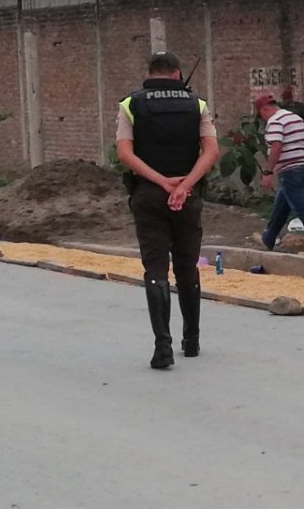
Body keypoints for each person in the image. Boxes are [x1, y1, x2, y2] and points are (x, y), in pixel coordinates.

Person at [116, 51, 220, 370]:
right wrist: (184, 185)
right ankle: (191, 342)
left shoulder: (130, 105)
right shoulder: (197, 104)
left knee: (155, 268)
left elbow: (124, 153)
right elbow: (211, 151)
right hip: (186, 197)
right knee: (187, 265)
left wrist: (162, 182)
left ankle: (163, 345)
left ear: (149, 72)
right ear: (177, 74)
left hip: (148, 195)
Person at [254, 94, 304, 254]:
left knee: (303, 207)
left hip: (289, 169)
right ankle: (268, 238)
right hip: (303, 166)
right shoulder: (295, 118)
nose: (263, 119)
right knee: (281, 207)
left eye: (261, 115)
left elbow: (276, 146)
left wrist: (268, 172)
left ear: (265, 109)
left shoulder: (275, 121)